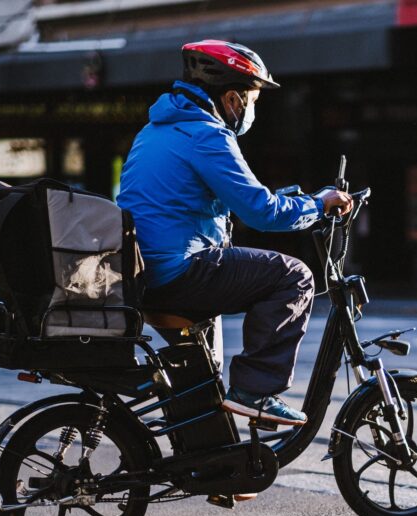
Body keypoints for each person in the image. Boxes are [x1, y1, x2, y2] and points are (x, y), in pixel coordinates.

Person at [117, 40, 352, 426]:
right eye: (253, 100)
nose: (252, 110)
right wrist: (320, 204)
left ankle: (217, 472)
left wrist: (302, 201)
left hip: (148, 276)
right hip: (181, 273)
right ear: (232, 99)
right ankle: (257, 392)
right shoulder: (207, 134)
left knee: (202, 382)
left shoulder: (156, 130)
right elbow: (261, 212)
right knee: (293, 275)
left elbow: (234, 199)